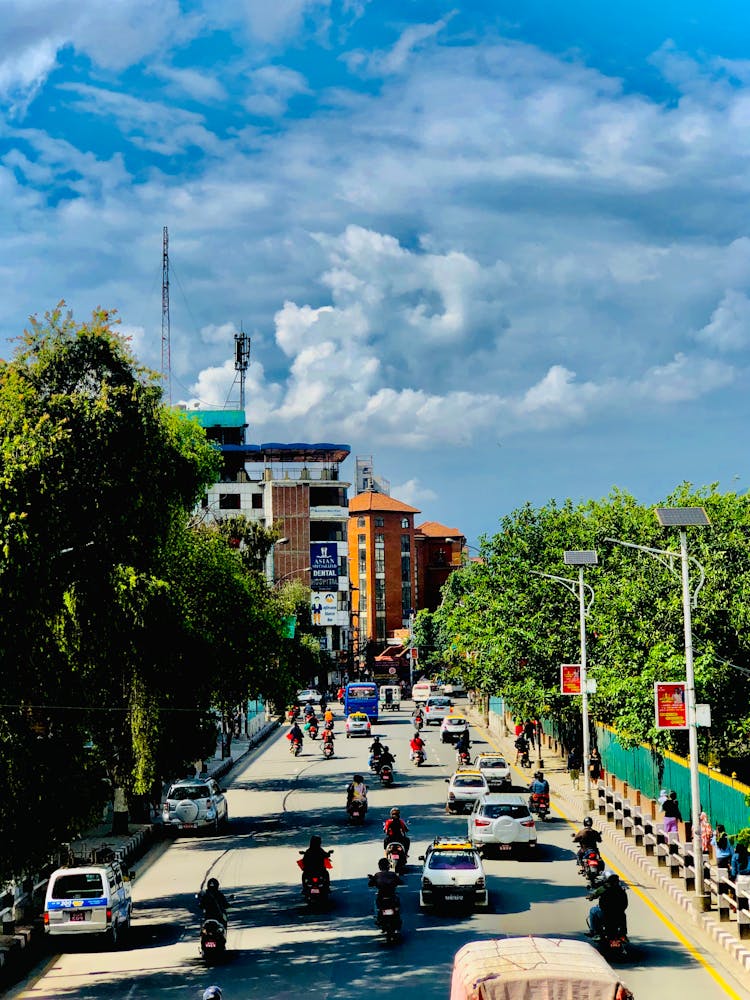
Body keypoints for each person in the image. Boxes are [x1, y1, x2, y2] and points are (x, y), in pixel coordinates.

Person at [587, 871, 628, 939]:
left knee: (592, 910)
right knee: (623, 915)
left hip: (604, 913)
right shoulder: (621, 889)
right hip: (618, 914)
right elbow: (625, 904)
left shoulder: (604, 888)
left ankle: (594, 931)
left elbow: (594, 894)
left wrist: (591, 896)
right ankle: (623, 933)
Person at [368, 857, 403, 923]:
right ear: (388, 866)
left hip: (382, 895)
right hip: (391, 895)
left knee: (377, 904)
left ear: (380, 866)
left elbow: (370, 884)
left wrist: (372, 879)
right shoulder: (392, 874)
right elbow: (400, 882)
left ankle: (377, 915)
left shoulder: (377, 875)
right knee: (397, 904)